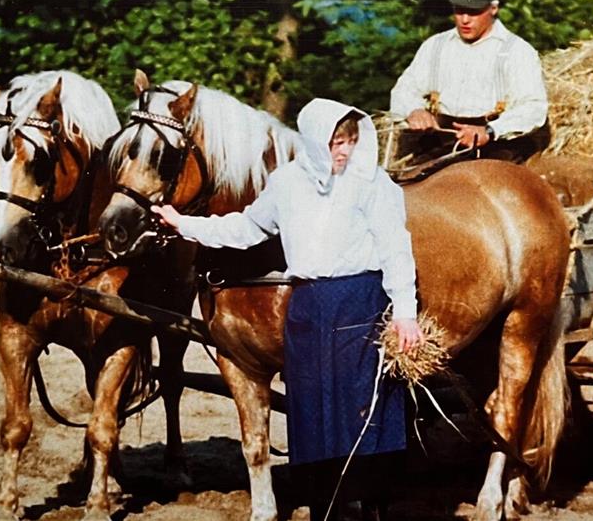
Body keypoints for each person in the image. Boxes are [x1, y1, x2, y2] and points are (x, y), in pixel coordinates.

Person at [152, 98, 421, 521]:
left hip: (360, 302)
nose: (344, 151)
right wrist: (184, 224)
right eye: (335, 141)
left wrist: (404, 312)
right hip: (309, 307)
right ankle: (324, 507)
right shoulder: (287, 183)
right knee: (312, 409)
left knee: (358, 410)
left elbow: (396, 249)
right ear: (315, 141)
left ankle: (368, 506)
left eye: (350, 140)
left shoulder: (374, 184)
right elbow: (245, 227)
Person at [389, 0, 550, 174]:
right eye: (459, 10)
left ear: (493, 8)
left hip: (495, 148)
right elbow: (404, 89)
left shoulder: (517, 51)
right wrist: (414, 110)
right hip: (438, 144)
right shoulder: (435, 46)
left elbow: (533, 107)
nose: (464, 20)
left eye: (473, 12)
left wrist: (491, 131)